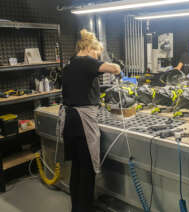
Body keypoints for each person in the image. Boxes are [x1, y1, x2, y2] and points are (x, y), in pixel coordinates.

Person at [60, 29, 121, 212]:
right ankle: (85, 209)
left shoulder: (69, 64)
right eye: (97, 53)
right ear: (88, 48)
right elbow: (114, 68)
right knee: (86, 170)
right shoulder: (86, 61)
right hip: (82, 123)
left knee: (77, 168)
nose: (98, 57)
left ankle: (77, 207)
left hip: (70, 122)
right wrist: (118, 69)